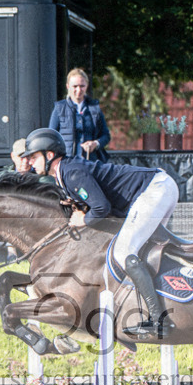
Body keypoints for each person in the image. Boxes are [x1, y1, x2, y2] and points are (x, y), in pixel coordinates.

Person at [22, 127, 176, 338]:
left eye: (33, 156)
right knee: (139, 251)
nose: (30, 162)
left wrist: (83, 220)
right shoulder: (64, 174)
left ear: (49, 155)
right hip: (156, 188)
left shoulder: (72, 172)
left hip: (154, 189)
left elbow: (101, 208)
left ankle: (159, 320)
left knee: (124, 252)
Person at [49, 68, 110, 163]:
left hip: (90, 162)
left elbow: (106, 135)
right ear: (68, 86)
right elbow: (51, 136)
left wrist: (95, 143)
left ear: (87, 86)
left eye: (82, 86)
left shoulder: (95, 108)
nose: (79, 90)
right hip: (67, 163)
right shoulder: (59, 108)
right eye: (75, 86)